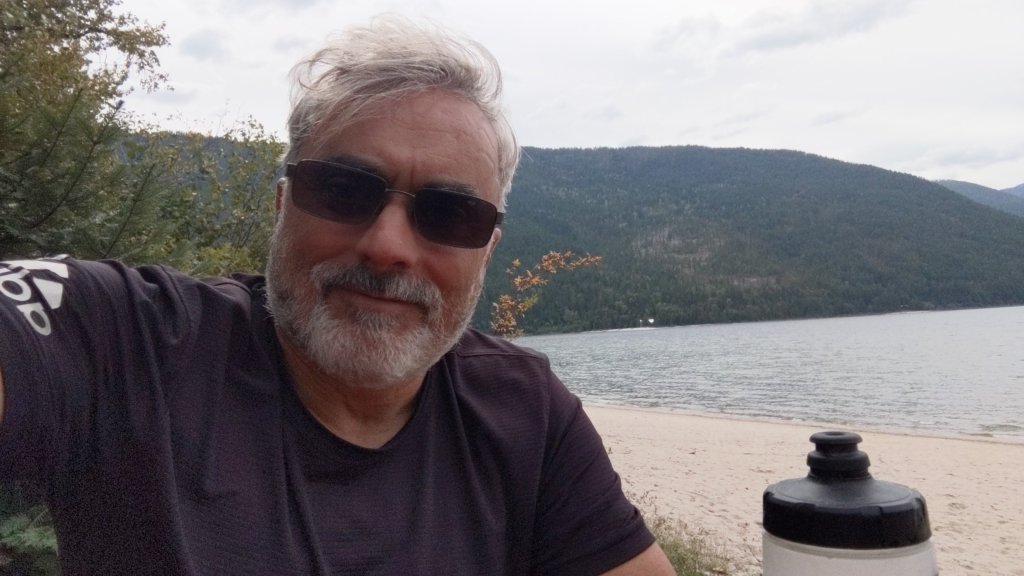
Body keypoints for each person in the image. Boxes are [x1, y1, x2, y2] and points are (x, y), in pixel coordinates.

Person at [0, 16, 674, 576]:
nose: (388, 247)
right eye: (345, 191)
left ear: (487, 250)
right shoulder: (132, 342)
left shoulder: (525, 413)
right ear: (282, 207)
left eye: (449, 214)